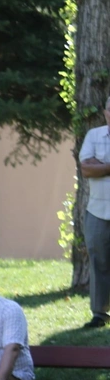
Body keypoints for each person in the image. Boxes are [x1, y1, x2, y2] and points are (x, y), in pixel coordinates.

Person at [79, 95, 110, 329]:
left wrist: (102, 166)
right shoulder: (94, 135)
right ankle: (100, 313)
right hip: (98, 210)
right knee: (98, 260)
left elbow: (95, 166)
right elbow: (87, 169)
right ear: (105, 112)